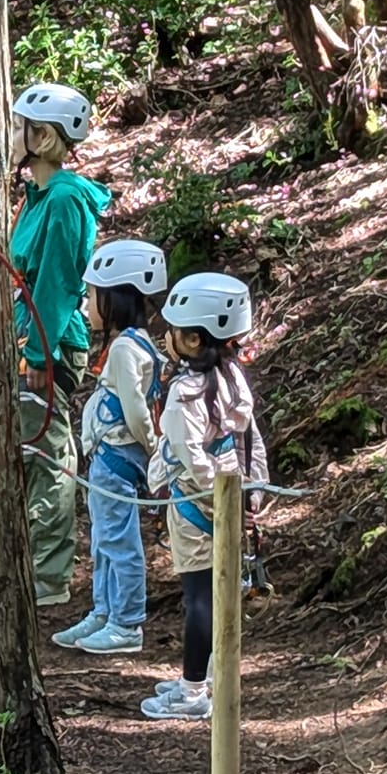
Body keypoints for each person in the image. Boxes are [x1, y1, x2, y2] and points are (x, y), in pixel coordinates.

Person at [143, 273, 269, 722]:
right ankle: (214, 674)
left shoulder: (184, 393)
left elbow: (191, 458)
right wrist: (250, 494)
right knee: (219, 593)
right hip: (229, 496)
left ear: (194, 339)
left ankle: (194, 688)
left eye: (175, 330)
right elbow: (248, 438)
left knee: (199, 596)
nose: (167, 336)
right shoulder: (232, 377)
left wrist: (212, 503)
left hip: (198, 506)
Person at [8, 82, 111, 608]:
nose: (12, 135)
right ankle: (31, 562)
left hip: (49, 342)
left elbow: (56, 282)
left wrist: (38, 355)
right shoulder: (37, 197)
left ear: (43, 137)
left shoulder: (66, 199)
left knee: (46, 454)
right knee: (27, 452)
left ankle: (48, 575)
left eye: (20, 125)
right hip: (30, 335)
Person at [53, 239, 170, 653]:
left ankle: (126, 622)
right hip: (108, 458)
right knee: (103, 539)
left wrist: (152, 447)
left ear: (117, 298)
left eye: (93, 296)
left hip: (117, 458)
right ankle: (103, 612)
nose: (87, 305)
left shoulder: (124, 348)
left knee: (119, 541)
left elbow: (137, 411)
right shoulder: (135, 345)